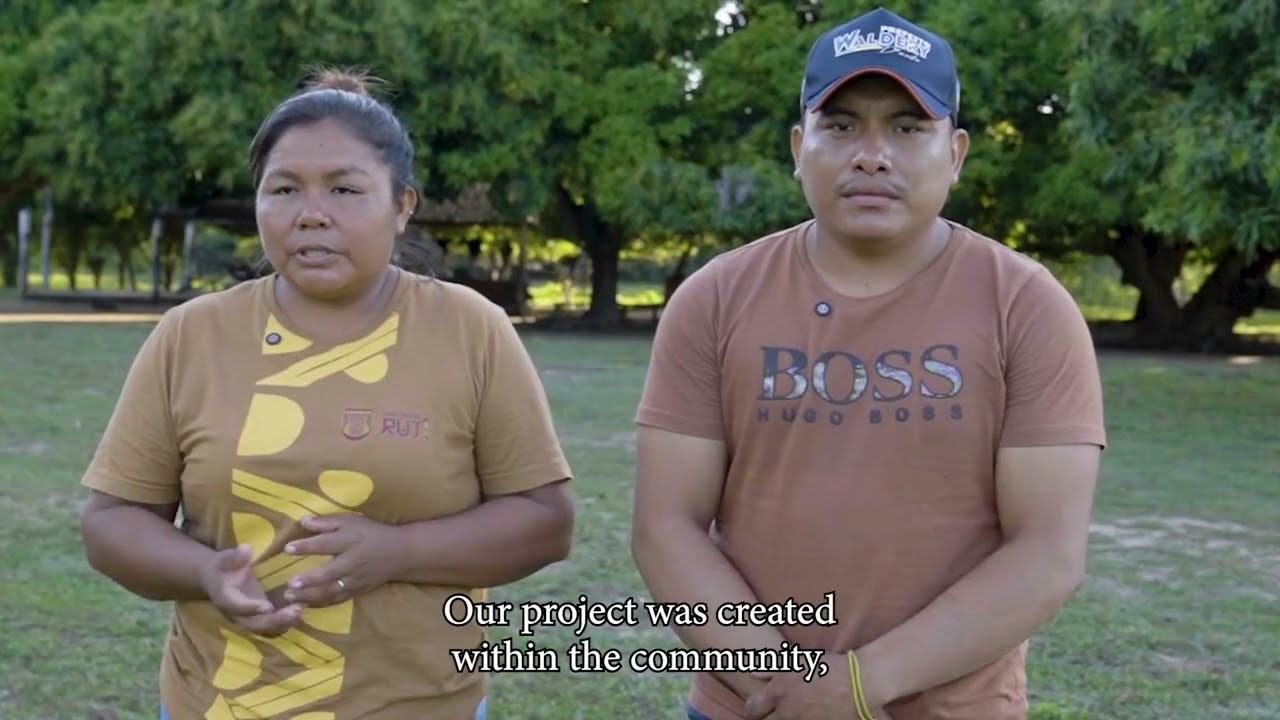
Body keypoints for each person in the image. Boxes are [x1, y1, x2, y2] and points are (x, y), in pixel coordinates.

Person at [632, 7, 1105, 720]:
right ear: (799, 147)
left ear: (956, 153)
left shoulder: (1027, 307)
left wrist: (858, 685)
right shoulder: (715, 299)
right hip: (747, 705)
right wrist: (782, 685)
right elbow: (665, 525)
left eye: (909, 128)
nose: (872, 154)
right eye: (842, 124)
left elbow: (1046, 552)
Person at [78, 68, 575, 720]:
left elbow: (546, 520)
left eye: (344, 188)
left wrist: (401, 552)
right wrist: (202, 573)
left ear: (402, 205)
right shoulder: (193, 334)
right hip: (218, 704)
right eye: (283, 189)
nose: (311, 213)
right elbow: (111, 521)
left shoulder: (468, 328)